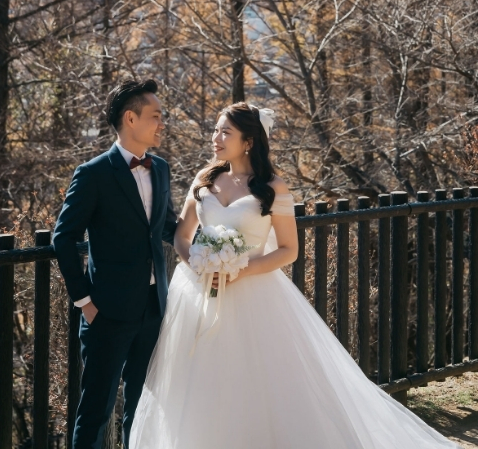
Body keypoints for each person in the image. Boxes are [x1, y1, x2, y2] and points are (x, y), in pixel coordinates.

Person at [129, 103, 458, 448]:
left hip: (253, 294)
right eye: (215, 130)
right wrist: (197, 262)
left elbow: (289, 249)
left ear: (249, 141)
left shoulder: (273, 188)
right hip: (199, 295)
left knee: (256, 382)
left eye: (225, 132)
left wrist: (240, 270)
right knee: (200, 382)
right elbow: (182, 235)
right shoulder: (204, 179)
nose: (216, 137)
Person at [53, 78, 179, 449]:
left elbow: (168, 227)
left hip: (155, 309)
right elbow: (64, 237)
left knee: (143, 410)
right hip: (107, 313)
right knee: (95, 412)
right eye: (156, 116)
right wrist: (84, 303)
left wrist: (213, 243)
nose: (161, 123)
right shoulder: (93, 174)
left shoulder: (160, 169)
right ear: (131, 118)